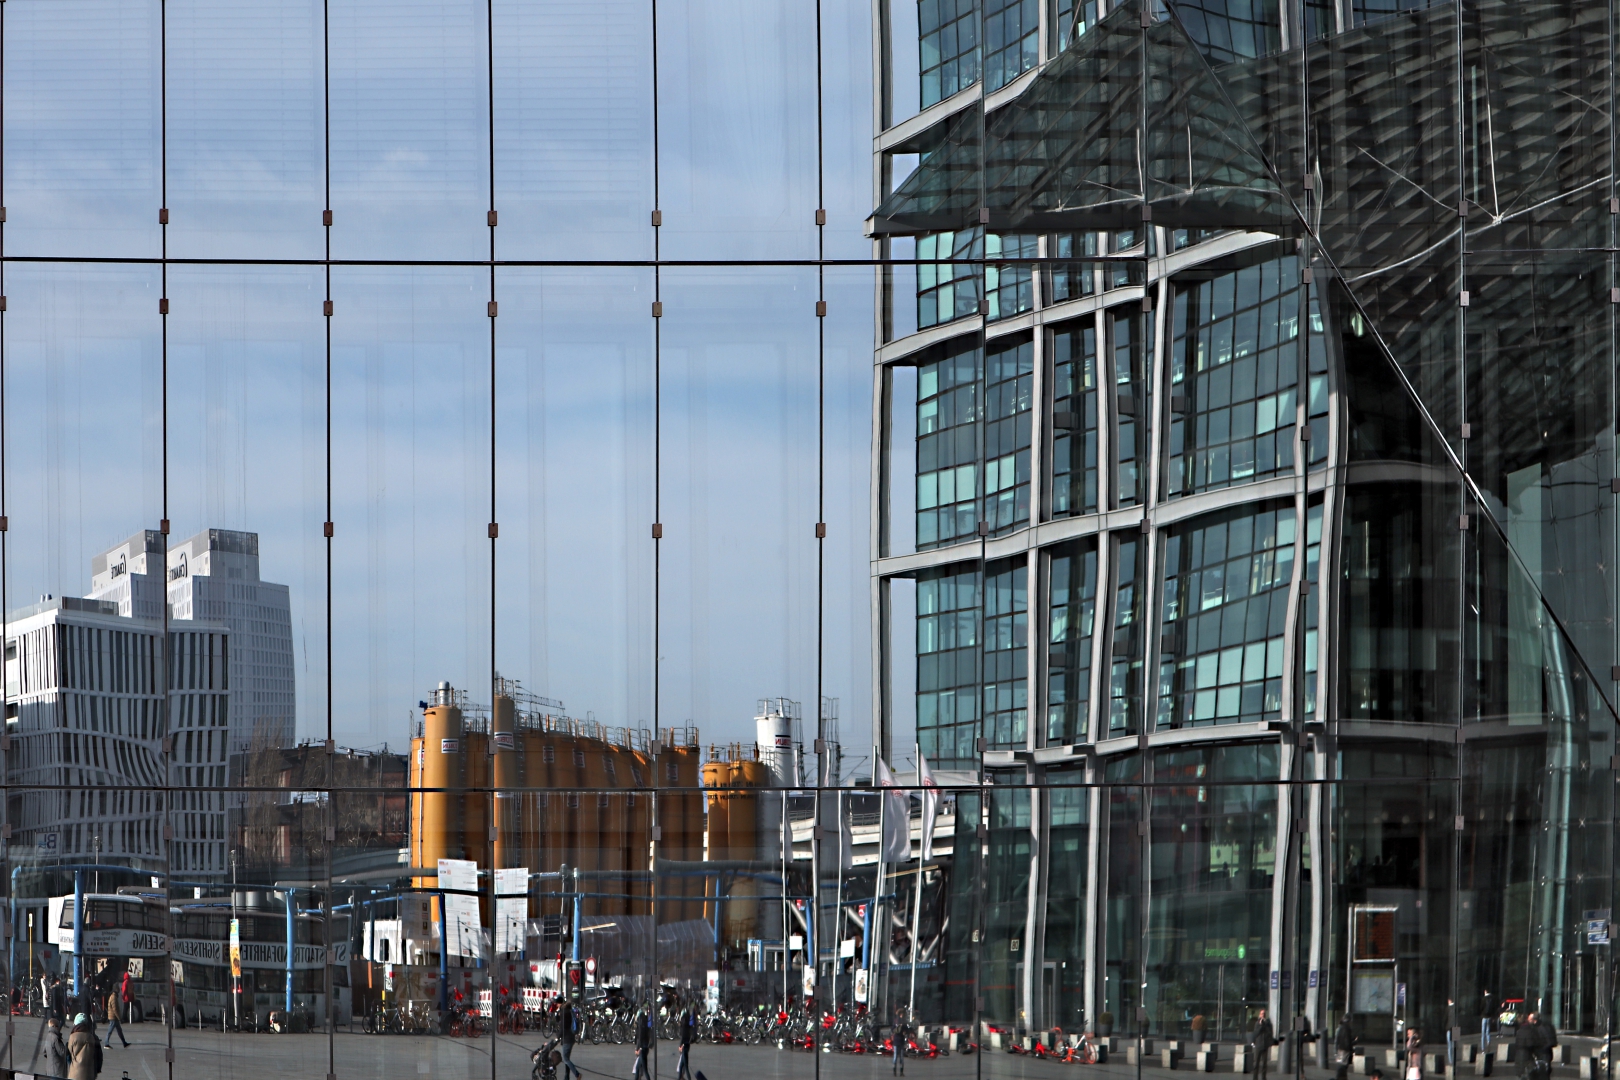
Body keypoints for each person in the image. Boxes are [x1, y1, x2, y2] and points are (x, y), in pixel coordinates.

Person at [66, 1012, 101, 1080]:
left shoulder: (72, 1036)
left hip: (75, 1072)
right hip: (89, 1072)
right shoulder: (92, 1037)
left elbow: (69, 1054)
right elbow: (98, 1056)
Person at [556, 997, 582, 1080]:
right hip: (570, 1038)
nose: (556, 1005)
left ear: (559, 1003)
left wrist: (557, 1037)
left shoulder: (564, 1012)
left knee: (565, 1059)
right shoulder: (568, 1010)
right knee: (567, 1058)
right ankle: (566, 1077)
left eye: (557, 1003)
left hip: (567, 1038)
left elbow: (563, 1027)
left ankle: (577, 1074)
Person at [1251, 1008, 1276, 1080]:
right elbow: (1256, 1033)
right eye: (1262, 1013)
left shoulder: (1268, 1023)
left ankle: (1264, 1078)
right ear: (1259, 1014)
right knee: (1256, 1064)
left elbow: (1270, 1033)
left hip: (1265, 1045)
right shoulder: (1257, 1023)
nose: (1263, 1015)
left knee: (1264, 1064)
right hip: (1258, 1045)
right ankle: (1255, 1078)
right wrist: (1260, 1025)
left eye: (1264, 1013)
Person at [631, 1003, 654, 1080]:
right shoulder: (645, 1020)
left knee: (644, 1069)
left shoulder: (640, 1024)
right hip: (645, 1047)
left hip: (642, 1048)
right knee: (638, 1068)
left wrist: (638, 1048)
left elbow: (640, 1037)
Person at [676, 1001, 697, 1080]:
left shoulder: (684, 1021)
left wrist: (680, 1045)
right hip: (687, 1043)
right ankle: (679, 1078)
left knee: (686, 1066)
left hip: (684, 1044)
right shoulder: (688, 1019)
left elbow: (683, 1035)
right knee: (681, 1065)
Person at [103, 984, 128, 1048]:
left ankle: (124, 1042)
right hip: (113, 1017)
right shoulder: (113, 997)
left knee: (119, 1031)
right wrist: (119, 1018)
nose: (119, 989)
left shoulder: (114, 996)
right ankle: (106, 1043)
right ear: (116, 989)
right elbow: (115, 1009)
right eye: (118, 988)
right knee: (110, 1031)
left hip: (114, 1017)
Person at [1336, 1014, 1356, 1080]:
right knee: (1344, 1065)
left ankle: (1339, 1077)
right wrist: (1351, 1048)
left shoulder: (1340, 1027)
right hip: (1345, 1050)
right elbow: (1347, 1040)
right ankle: (1342, 1078)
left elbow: (1338, 1039)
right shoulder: (1347, 1028)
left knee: (1340, 1064)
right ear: (1348, 1020)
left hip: (1340, 1049)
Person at [893, 1007, 909, 1076]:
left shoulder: (896, 1021)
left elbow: (892, 1029)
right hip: (899, 1040)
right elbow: (907, 1030)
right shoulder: (900, 1022)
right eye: (902, 1014)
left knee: (898, 1056)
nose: (903, 1015)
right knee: (898, 1056)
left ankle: (897, 1071)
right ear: (900, 1014)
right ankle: (898, 1072)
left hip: (898, 1040)